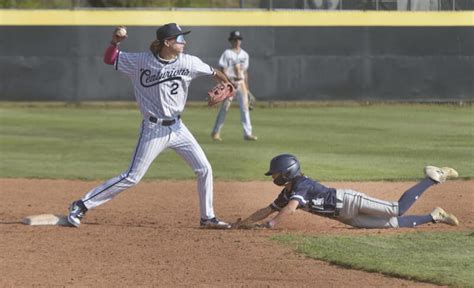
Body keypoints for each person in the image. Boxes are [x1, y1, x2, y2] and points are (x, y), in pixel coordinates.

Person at [67, 23, 233, 229]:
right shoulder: (140, 61)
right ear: (167, 42)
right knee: (132, 177)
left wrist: (229, 86)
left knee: (205, 168)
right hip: (154, 129)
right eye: (179, 38)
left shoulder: (189, 62)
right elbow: (110, 59)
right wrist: (115, 42)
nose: (184, 41)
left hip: (179, 128)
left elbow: (214, 72)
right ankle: (81, 204)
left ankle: (207, 217)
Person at [234, 154, 460, 229]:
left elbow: (291, 210)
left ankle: (432, 177)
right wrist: (243, 223)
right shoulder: (287, 191)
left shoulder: (301, 184)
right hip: (343, 217)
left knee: (397, 209)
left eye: (275, 173)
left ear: (287, 172)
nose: (273, 177)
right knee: (392, 224)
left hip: (349, 201)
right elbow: (268, 209)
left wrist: (271, 224)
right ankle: (435, 216)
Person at [211, 31, 257, 141]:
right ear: (231, 40)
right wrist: (226, 83)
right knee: (224, 108)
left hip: (240, 83)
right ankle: (216, 132)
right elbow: (222, 69)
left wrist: (247, 87)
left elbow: (245, 72)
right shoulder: (227, 53)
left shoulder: (245, 55)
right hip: (229, 84)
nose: (237, 41)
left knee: (245, 108)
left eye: (239, 39)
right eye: (235, 39)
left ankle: (247, 133)